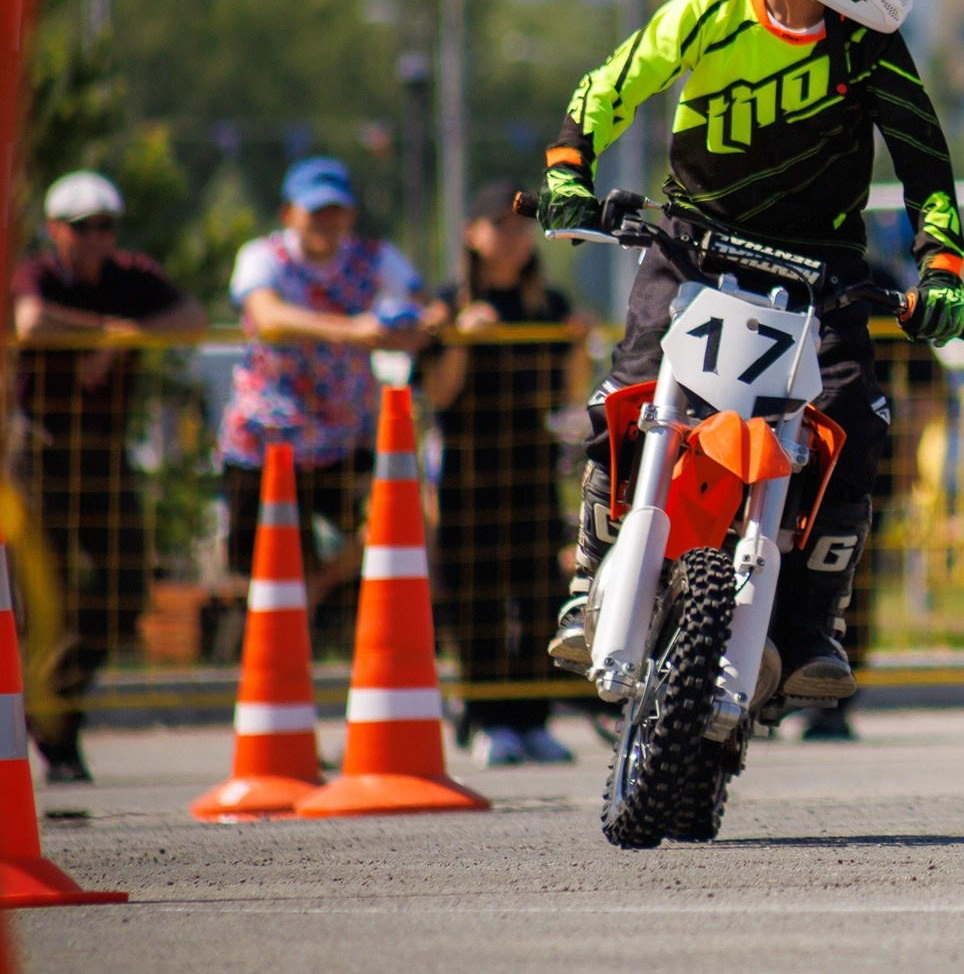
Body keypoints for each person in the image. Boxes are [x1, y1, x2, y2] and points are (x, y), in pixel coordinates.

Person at [540, 0, 964, 706]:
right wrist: (570, 171)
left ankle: (816, 620)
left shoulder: (874, 45)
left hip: (823, 276)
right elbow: (609, 86)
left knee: (855, 424)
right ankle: (591, 576)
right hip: (691, 251)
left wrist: (942, 270)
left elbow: (929, 167)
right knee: (622, 398)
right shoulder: (706, 14)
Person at [11, 171, 206, 782]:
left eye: (106, 226)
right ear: (54, 231)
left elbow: (193, 318)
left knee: (125, 588)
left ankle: (50, 701)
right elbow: (30, 323)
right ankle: (56, 741)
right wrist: (109, 333)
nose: (96, 238)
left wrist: (123, 338)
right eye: (82, 227)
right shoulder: (36, 273)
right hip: (38, 451)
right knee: (43, 596)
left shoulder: (133, 277)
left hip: (104, 451)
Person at [223, 158, 431, 645]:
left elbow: (426, 308)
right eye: (315, 211)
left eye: (335, 210)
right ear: (289, 213)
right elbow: (267, 316)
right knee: (262, 569)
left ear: (350, 215)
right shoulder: (262, 256)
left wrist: (407, 327)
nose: (326, 221)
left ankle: (317, 593)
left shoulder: (376, 257)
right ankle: (259, 655)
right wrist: (356, 331)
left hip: (343, 440)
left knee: (390, 521)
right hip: (265, 444)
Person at [421, 183, 588, 767]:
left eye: (521, 227)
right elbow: (436, 394)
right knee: (477, 602)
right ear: (472, 233)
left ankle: (533, 718)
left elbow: (570, 401)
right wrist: (462, 339)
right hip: (468, 474)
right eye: (499, 224)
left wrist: (578, 349)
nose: (512, 237)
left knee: (541, 593)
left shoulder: (549, 303)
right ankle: (487, 719)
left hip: (531, 471)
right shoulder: (446, 303)